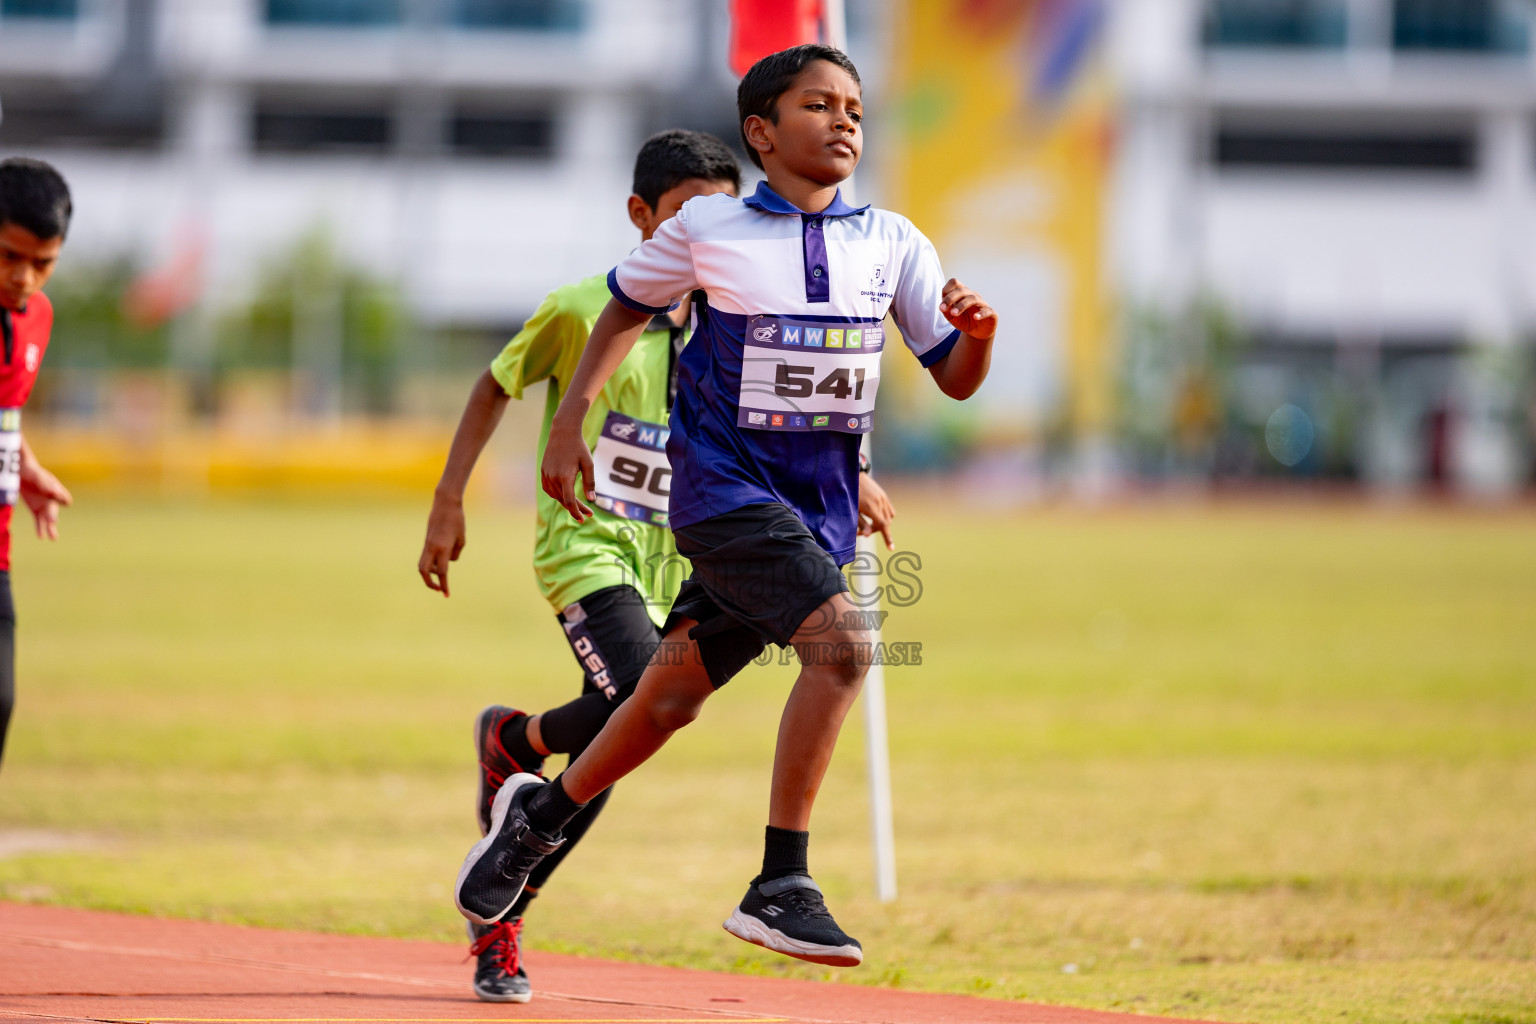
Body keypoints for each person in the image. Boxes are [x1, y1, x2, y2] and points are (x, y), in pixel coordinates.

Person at [454, 44, 997, 969]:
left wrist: (977, 338)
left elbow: (951, 378)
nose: (843, 121)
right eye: (818, 104)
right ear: (761, 131)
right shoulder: (712, 231)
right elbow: (624, 308)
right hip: (721, 496)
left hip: (813, 514)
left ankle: (533, 824)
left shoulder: (895, 241)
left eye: (855, 108)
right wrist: (570, 420)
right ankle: (781, 882)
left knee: (664, 701)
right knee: (846, 646)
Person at [420, 129, 897, 1002]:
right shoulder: (585, 310)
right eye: (686, 217)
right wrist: (451, 500)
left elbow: (778, 415)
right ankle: (506, 919)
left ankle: (515, 743)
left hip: (679, 551)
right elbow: (496, 383)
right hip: (590, 546)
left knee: (643, 713)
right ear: (644, 218)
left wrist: (853, 473)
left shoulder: (731, 322)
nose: (706, 236)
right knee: (628, 700)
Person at [0, 158, 75, 774]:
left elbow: (6, 413)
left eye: (42, 262)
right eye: (9, 256)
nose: (25, 277)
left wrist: (24, 467)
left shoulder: (38, 318)